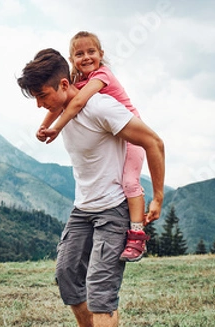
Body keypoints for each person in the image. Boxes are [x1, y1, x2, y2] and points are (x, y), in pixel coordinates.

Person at [17, 48, 165, 327]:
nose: (40, 105)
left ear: (65, 84)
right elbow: (54, 119)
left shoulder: (100, 107)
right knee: (66, 273)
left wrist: (157, 196)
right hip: (82, 209)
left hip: (114, 209)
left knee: (100, 289)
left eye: (42, 96)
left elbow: (154, 142)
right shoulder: (63, 112)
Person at [37, 31, 149, 263]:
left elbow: (77, 102)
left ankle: (137, 234)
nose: (86, 57)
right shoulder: (77, 81)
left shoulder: (102, 75)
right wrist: (43, 126)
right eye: (79, 54)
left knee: (129, 181)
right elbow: (59, 104)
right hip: (112, 134)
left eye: (91, 52)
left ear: (101, 54)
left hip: (130, 131)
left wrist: (56, 129)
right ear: (71, 59)